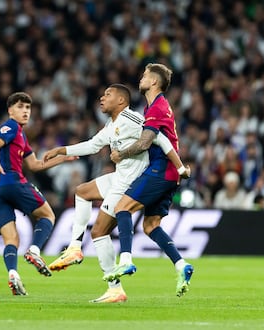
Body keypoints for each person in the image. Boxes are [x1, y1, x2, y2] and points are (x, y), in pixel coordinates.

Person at [43, 83, 189, 303]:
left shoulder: (132, 119)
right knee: (81, 192)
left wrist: (179, 167)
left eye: (107, 94)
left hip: (128, 184)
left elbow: (158, 137)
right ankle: (74, 247)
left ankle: (115, 288)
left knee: (99, 232)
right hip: (118, 178)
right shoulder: (111, 124)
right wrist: (61, 150)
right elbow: (92, 145)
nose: (102, 98)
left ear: (121, 101)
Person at [105, 63, 194, 298]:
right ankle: (181, 265)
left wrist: (120, 154)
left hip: (160, 171)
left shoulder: (157, 108)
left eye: (145, 75)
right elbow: (165, 142)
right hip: (169, 173)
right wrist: (180, 167)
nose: (141, 78)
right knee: (150, 226)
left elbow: (145, 143)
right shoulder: (157, 107)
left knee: (121, 207)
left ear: (154, 82)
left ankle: (125, 260)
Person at [0, 92, 76, 296]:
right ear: (10, 110)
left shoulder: (22, 136)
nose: (25, 111)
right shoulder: (10, 127)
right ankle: (34, 250)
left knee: (12, 239)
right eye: (20, 107)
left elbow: (35, 165)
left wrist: (61, 159)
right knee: (48, 215)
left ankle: (13, 274)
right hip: (12, 183)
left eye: (28, 108)